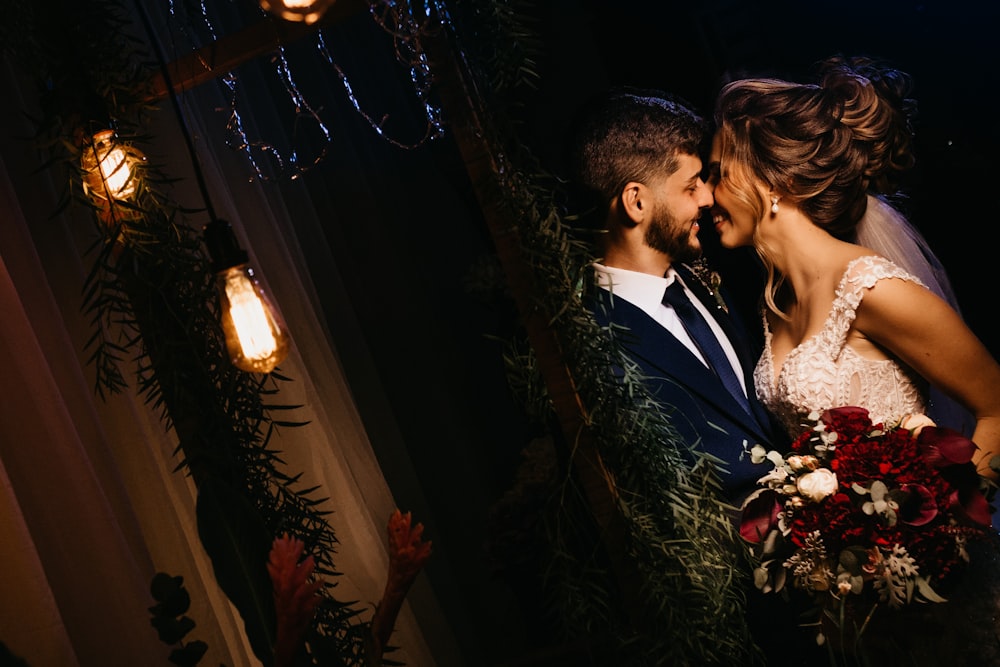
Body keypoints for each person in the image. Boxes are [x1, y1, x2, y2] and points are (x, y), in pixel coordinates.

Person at [708, 54, 1000, 664]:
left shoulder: (872, 288)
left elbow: (995, 402)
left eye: (717, 173)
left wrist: (941, 525)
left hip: (935, 590)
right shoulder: (776, 298)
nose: (708, 195)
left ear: (767, 181)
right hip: (851, 600)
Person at [567, 88, 789, 508]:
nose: (708, 198)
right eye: (691, 187)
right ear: (636, 202)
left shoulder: (707, 278)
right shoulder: (592, 339)